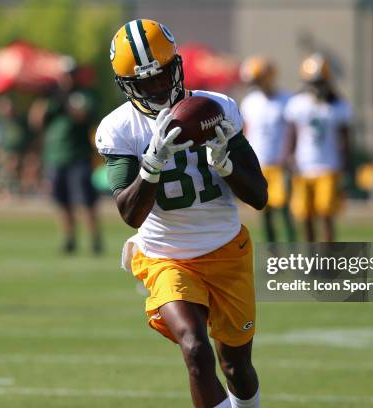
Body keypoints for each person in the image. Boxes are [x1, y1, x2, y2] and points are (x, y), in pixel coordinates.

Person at [96, 19, 266, 408]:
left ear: (177, 66)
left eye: (163, 76)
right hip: (166, 255)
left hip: (227, 249)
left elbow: (258, 196)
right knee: (194, 348)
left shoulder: (216, 108)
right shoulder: (120, 129)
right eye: (146, 82)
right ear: (127, 86)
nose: (157, 88)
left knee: (237, 366)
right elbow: (129, 213)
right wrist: (150, 166)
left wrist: (227, 165)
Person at [30, 69, 102, 254]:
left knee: (85, 201)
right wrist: (46, 98)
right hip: (55, 157)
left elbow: (83, 115)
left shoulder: (82, 94)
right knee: (61, 202)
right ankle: (69, 240)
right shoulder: (50, 99)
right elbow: (35, 121)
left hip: (78, 156)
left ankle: (95, 240)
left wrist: (65, 100)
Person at [284, 53, 352, 242]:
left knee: (326, 216)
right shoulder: (297, 104)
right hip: (303, 166)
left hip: (329, 166)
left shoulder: (338, 105)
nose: (316, 86)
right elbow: (292, 135)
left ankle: (328, 259)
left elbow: (345, 140)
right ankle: (311, 259)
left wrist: (347, 167)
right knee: (305, 217)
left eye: (320, 81)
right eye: (313, 82)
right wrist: (288, 158)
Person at [239, 56, 296, 243]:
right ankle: (274, 252)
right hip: (259, 163)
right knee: (265, 211)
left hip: (279, 163)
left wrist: (289, 156)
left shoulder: (286, 99)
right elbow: (246, 132)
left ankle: (293, 250)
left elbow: (292, 131)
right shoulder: (249, 102)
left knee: (285, 210)